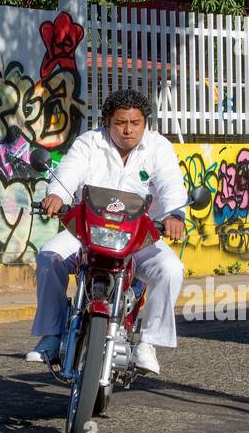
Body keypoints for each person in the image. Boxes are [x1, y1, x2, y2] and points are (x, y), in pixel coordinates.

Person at [26, 88, 188, 376]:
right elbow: (69, 172)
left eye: (135, 123)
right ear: (106, 122)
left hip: (139, 239)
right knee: (48, 257)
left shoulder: (158, 147)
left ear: (145, 123)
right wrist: (57, 196)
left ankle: (148, 343)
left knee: (171, 269)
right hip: (86, 234)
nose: (128, 130)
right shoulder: (89, 143)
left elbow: (170, 182)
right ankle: (51, 336)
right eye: (120, 123)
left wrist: (175, 213)